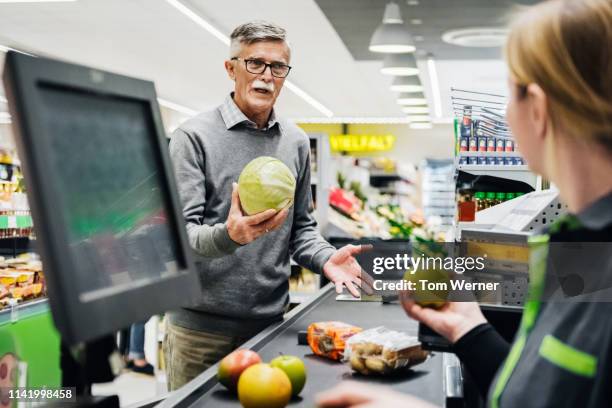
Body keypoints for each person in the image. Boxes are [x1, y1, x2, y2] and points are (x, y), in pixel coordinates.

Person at [316, 0, 612, 407]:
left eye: (511, 94)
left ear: (539, 109)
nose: (507, 116)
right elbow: (547, 393)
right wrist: (469, 329)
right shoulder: (577, 246)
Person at [165, 21, 368, 390]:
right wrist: (230, 236)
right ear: (231, 68)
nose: (266, 77)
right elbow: (181, 237)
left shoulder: (295, 141)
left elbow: (302, 228)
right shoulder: (192, 137)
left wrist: (326, 257)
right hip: (200, 333)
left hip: (269, 326)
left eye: (278, 67)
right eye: (255, 63)